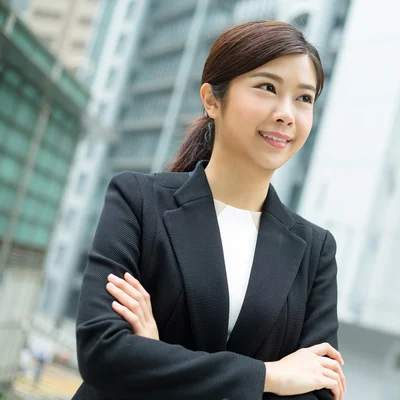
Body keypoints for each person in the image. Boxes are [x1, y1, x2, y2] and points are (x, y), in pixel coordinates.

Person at [73, 20, 346, 400]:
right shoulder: (138, 201)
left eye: (304, 98)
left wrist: (155, 358)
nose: (287, 113)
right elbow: (103, 353)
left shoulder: (315, 251)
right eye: (267, 88)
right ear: (212, 99)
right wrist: (269, 376)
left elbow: (318, 391)